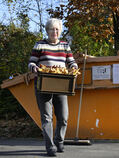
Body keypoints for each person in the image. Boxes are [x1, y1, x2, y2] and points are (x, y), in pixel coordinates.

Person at [28, 18, 78, 156]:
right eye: (51, 29)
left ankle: (59, 140)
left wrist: (74, 67)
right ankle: (50, 147)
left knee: (63, 117)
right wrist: (34, 68)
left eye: (57, 29)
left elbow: (71, 61)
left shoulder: (65, 45)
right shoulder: (39, 45)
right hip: (43, 84)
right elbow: (31, 63)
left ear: (60, 31)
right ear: (47, 30)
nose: (54, 32)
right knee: (47, 118)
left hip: (61, 85)